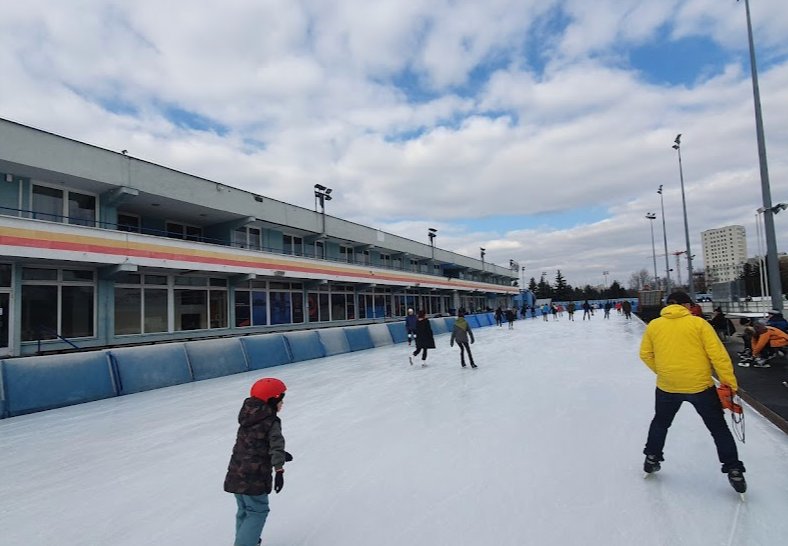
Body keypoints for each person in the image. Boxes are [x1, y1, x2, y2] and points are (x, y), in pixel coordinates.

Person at [638, 291, 746, 494]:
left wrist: (663, 372)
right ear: (686, 305)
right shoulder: (699, 324)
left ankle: (651, 458)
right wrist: (729, 384)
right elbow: (718, 356)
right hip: (700, 386)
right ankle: (734, 469)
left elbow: (645, 354)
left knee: (661, 423)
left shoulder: (655, 325)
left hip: (667, 386)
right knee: (718, 428)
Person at [224, 378, 291, 546]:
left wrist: (281, 454)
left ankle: (248, 540)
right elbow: (275, 445)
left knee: (244, 510)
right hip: (254, 475)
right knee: (257, 511)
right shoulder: (271, 421)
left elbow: (253, 442)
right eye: (280, 400)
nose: (282, 404)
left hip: (236, 471)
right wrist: (279, 470)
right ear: (272, 400)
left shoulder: (248, 416)